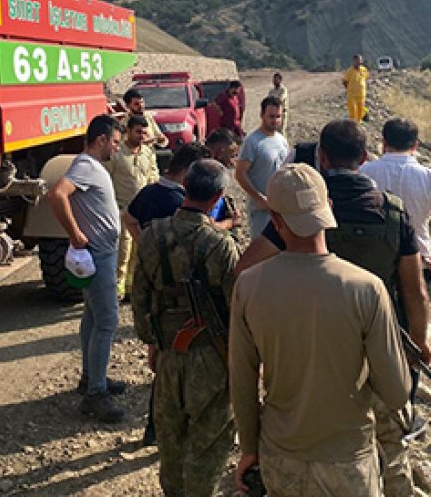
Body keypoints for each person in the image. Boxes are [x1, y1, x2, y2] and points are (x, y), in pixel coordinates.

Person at [235, 120, 431, 495]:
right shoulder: (391, 213)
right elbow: (414, 292)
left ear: (321, 157)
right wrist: (418, 342)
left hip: (293, 412)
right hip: (375, 354)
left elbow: (246, 268)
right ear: (364, 156)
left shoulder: (293, 215)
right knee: (391, 455)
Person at [132, 159, 239, 496]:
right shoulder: (220, 245)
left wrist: (152, 341)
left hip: (168, 353)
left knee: (171, 444)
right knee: (208, 447)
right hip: (212, 358)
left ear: (185, 188)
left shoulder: (151, 236)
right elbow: (238, 308)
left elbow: (139, 297)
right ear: (218, 196)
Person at [47, 114, 125, 422]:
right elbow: (57, 194)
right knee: (107, 321)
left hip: (101, 252)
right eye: (114, 143)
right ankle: (95, 394)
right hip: (98, 254)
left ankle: (92, 379)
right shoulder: (85, 165)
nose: (116, 150)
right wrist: (75, 234)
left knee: (92, 317)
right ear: (102, 139)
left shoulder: (91, 167)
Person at [361, 118, 431, 284]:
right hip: (419, 259)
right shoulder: (427, 177)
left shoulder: (364, 172)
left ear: (384, 142)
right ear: (415, 145)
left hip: (373, 259)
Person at [106, 114, 160, 300]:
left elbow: (154, 177)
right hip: (121, 210)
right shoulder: (116, 154)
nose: (142, 136)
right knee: (123, 251)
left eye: (144, 132)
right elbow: (106, 180)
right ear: (127, 131)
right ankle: (117, 289)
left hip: (142, 212)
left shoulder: (148, 152)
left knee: (140, 251)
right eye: (137, 132)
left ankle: (131, 288)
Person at [125, 143, 209, 240]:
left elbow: (129, 220)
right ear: (188, 170)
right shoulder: (184, 203)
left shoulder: (147, 191)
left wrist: (144, 245)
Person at [233, 96, 288, 236]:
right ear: (262, 115)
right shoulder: (252, 142)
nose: (275, 120)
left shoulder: (282, 140)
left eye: (278, 116)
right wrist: (259, 198)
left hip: (281, 208)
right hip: (261, 211)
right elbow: (240, 174)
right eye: (271, 116)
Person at [204, 128, 244, 232]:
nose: (233, 163)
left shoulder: (213, 175)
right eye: (232, 156)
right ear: (220, 153)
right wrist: (231, 222)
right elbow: (206, 228)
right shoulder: (207, 180)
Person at [344, 54, 370, 123]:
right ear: (354, 61)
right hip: (352, 95)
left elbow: (366, 77)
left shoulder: (364, 70)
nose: (359, 62)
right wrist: (350, 89)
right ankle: (352, 125)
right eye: (357, 60)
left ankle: (358, 124)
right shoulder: (349, 71)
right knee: (353, 111)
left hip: (361, 94)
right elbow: (345, 81)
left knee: (360, 111)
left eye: (360, 60)